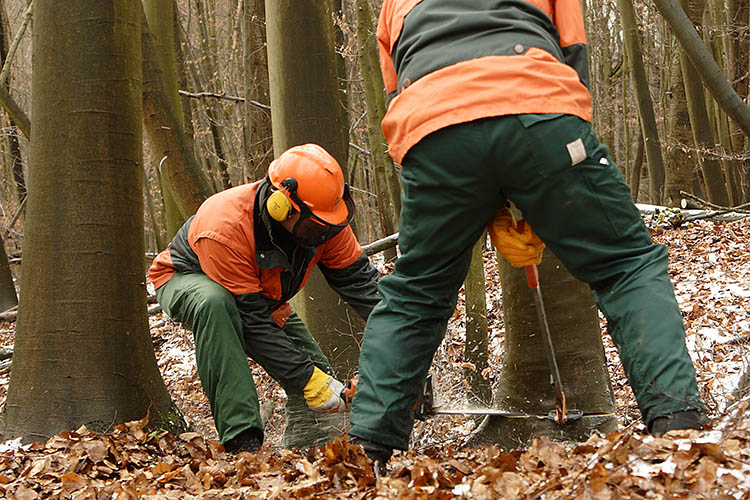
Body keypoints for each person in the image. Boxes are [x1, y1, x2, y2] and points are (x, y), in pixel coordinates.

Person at [349, 0, 707, 470]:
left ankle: (362, 453)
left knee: (415, 292)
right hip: (538, 106)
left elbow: (397, 91)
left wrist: (485, 194)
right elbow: (573, 52)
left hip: (430, 131)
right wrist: (542, 175)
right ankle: (678, 424)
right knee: (626, 264)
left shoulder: (394, 3)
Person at [149, 143, 380, 453]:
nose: (322, 234)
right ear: (279, 206)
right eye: (314, 226)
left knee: (317, 378)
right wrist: (305, 376)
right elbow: (252, 321)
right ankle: (241, 439)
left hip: (258, 298)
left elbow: (362, 283)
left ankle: (307, 443)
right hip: (186, 279)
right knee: (216, 304)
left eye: (327, 225)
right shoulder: (225, 225)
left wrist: (402, 335)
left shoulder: (325, 222)